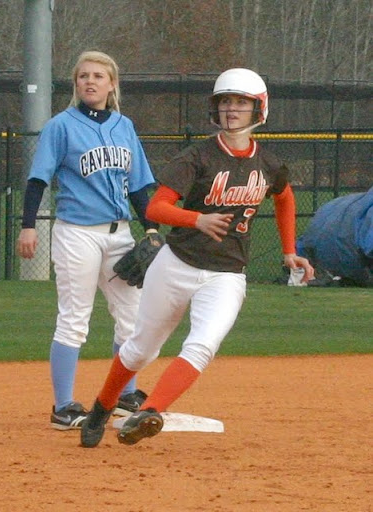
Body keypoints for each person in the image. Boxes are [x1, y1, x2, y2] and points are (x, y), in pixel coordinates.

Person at [79, 67, 315, 447]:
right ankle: (102, 407)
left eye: (241, 102)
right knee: (141, 349)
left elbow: (284, 198)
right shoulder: (198, 156)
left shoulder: (268, 163)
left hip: (227, 274)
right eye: (225, 102)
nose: (231, 109)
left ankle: (148, 412)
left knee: (203, 345)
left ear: (260, 108)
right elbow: (156, 207)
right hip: (176, 264)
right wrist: (197, 219)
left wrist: (290, 251)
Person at [17, 50, 160, 430]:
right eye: (83, 76)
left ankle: (126, 394)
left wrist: (151, 228)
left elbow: (139, 186)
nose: (90, 81)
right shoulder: (60, 126)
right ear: (76, 84)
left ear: (112, 84)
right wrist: (29, 225)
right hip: (77, 234)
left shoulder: (124, 126)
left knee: (133, 318)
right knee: (74, 318)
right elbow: (38, 179)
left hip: (120, 233)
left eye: (98, 76)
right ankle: (63, 407)